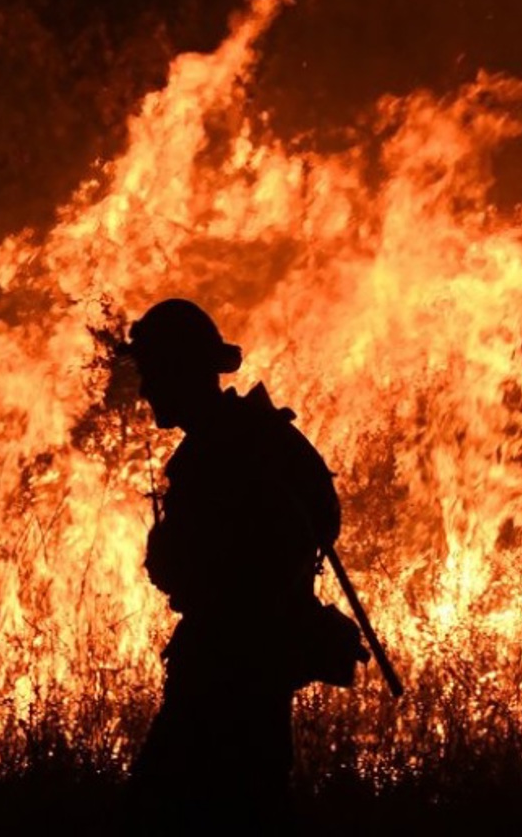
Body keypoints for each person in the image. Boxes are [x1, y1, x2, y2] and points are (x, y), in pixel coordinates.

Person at [119, 298, 364, 835]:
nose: (145, 390)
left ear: (181, 372)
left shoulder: (223, 452)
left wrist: (177, 562)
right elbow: (318, 524)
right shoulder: (252, 438)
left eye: (154, 373)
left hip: (227, 665)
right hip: (252, 661)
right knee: (249, 805)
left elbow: (234, 564)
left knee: (166, 808)